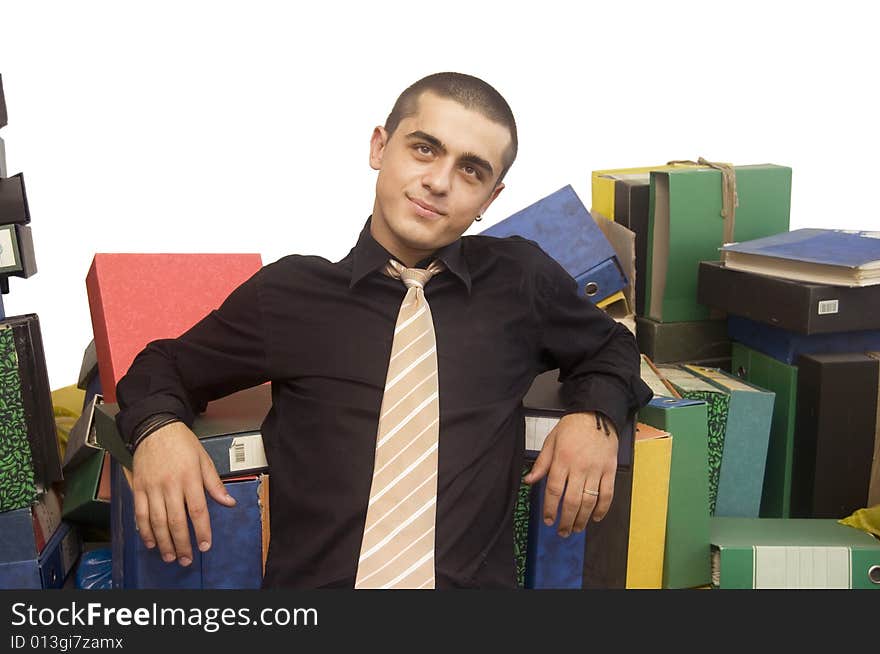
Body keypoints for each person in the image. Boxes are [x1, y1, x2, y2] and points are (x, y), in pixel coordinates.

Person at [115, 71, 653, 588]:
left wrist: (595, 416)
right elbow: (163, 365)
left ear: (491, 198)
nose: (438, 182)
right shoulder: (289, 295)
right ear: (379, 147)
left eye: (471, 171)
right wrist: (158, 430)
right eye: (424, 148)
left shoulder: (520, 282)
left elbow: (611, 345)